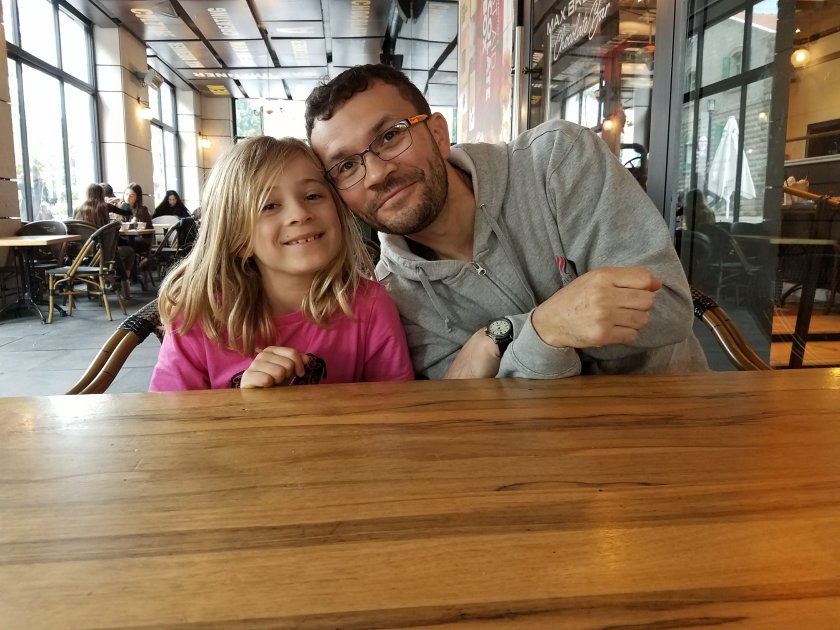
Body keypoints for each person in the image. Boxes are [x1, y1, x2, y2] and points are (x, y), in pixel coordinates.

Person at [305, 64, 708, 380]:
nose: (376, 174)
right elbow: (479, 404)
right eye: (346, 166)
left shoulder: (556, 161)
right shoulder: (396, 297)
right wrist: (549, 329)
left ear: (439, 135)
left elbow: (666, 309)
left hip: (673, 420)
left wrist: (502, 336)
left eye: (391, 136)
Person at [149, 136, 414, 391]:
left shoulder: (370, 306)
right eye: (269, 205)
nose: (299, 213)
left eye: (313, 196)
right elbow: (171, 418)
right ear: (237, 237)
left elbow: (395, 410)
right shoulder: (196, 318)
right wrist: (243, 407)